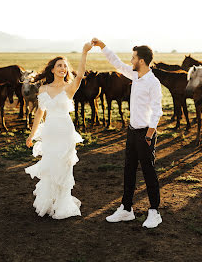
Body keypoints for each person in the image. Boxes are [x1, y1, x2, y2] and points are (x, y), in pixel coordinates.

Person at [91, 38, 163, 228]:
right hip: (132, 132)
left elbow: (157, 111)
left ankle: (154, 211)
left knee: (148, 172)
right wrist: (102, 46)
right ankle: (126, 209)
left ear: (141, 60)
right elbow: (116, 62)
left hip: (145, 134)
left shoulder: (153, 83)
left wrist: (149, 135)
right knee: (128, 170)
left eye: (133, 58)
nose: (131, 61)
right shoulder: (134, 75)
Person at [25, 42, 92, 219]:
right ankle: (48, 202)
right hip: (49, 133)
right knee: (49, 167)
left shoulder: (69, 87)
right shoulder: (43, 89)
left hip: (65, 132)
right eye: (59, 65)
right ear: (52, 69)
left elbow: (80, 75)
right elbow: (40, 112)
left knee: (63, 168)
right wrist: (32, 135)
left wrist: (84, 52)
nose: (63, 68)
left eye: (65, 66)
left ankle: (62, 204)